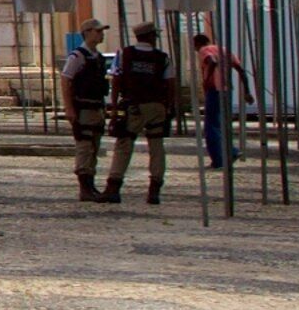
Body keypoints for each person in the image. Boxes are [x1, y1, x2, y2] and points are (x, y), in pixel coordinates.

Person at [101, 22, 180, 205]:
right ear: (151, 36)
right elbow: (170, 83)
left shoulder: (124, 54)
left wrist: (114, 107)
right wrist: (168, 107)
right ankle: (154, 189)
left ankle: (114, 186)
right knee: (156, 147)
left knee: (124, 145)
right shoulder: (162, 58)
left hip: (133, 106)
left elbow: (116, 80)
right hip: (155, 106)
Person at [62, 29, 114, 203]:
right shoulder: (77, 56)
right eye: (98, 31)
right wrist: (69, 108)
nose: (101, 34)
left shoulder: (97, 57)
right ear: (88, 33)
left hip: (96, 106)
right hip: (83, 107)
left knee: (94, 146)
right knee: (85, 146)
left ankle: (91, 185)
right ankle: (85, 188)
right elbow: (66, 80)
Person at [192, 32, 250, 173]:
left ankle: (218, 160)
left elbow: (212, 61)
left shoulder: (204, 50)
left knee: (210, 126)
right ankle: (232, 151)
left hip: (214, 89)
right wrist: (247, 91)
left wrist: (206, 80)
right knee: (222, 123)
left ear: (198, 43)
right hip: (227, 90)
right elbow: (241, 70)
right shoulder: (225, 49)